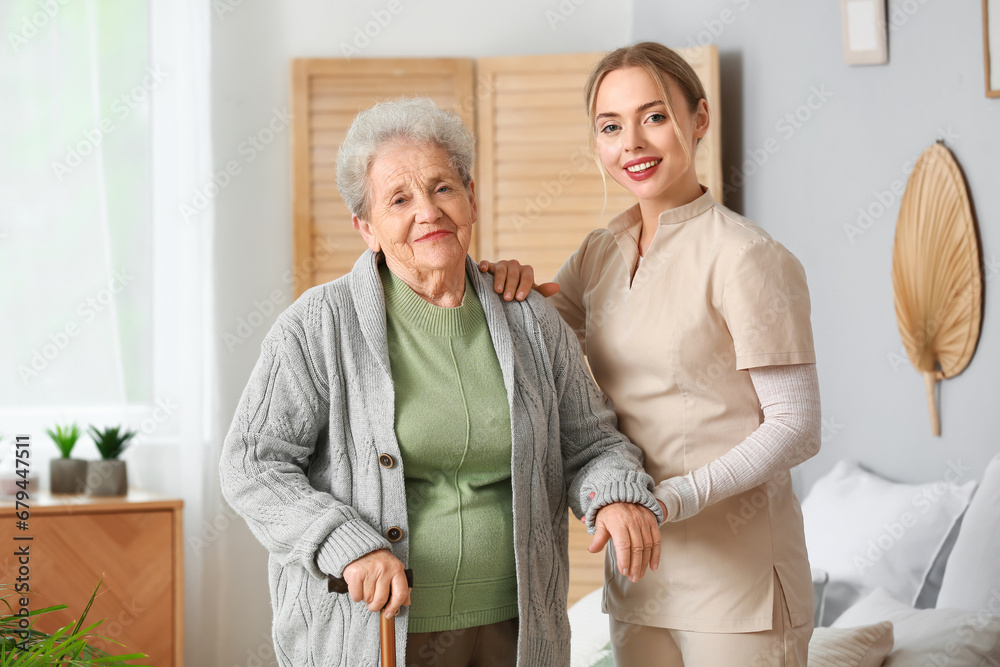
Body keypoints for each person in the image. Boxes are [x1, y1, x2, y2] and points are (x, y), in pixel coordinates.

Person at [219, 97, 665, 667]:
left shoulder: (529, 318)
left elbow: (592, 443)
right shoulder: (318, 326)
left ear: (472, 198)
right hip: (374, 628)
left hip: (517, 623)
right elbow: (252, 463)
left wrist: (616, 496)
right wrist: (344, 545)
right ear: (367, 228)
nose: (428, 211)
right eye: (399, 199)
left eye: (443, 188)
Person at [482, 42, 821, 665]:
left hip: (738, 586)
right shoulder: (601, 254)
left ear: (699, 118)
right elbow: (532, 341)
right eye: (610, 126)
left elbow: (797, 427)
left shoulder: (746, 257)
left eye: (654, 116)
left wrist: (667, 500)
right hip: (639, 570)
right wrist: (502, 284)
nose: (631, 143)